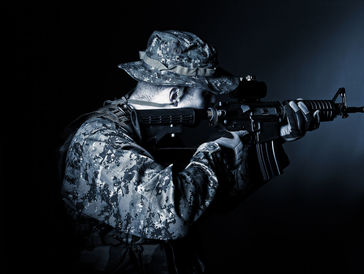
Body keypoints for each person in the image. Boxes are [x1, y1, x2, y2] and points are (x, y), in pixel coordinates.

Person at [60, 30, 320, 274]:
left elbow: (210, 199)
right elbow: (173, 215)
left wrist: (274, 138)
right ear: (175, 96)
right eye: (206, 96)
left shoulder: (153, 137)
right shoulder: (100, 140)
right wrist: (214, 151)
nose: (213, 104)